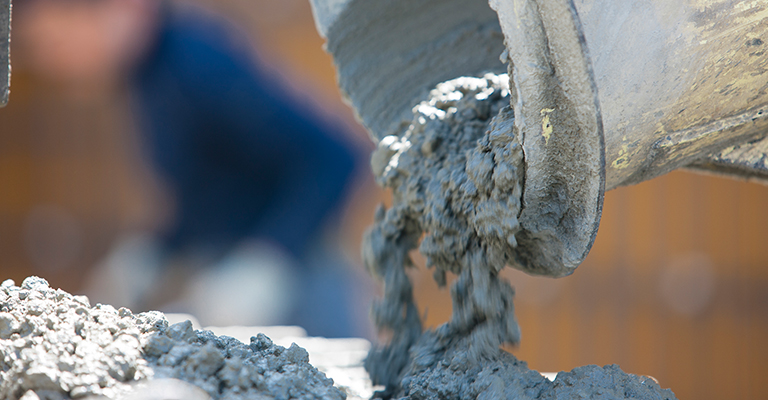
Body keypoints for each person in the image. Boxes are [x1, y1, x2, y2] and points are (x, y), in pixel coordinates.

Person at [14, 0, 365, 337]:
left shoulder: (197, 62)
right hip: (239, 273)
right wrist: (154, 251)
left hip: (302, 278)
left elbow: (333, 158)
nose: (52, 63)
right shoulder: (146, 80)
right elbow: (217, 191)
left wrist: (270, 260)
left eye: (56, 43)